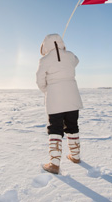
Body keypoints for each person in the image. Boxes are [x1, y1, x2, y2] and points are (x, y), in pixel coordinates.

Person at [36, 34, 83, 174]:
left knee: (55, 128)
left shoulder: (44, 60)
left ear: (45, 45)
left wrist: (47, 91)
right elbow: (76, 61)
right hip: (72, 96)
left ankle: (54, 164)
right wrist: (64, 50)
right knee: (72, 126)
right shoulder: (70, 55)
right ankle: (75, 156)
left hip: (55, 98)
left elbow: (39, 80)